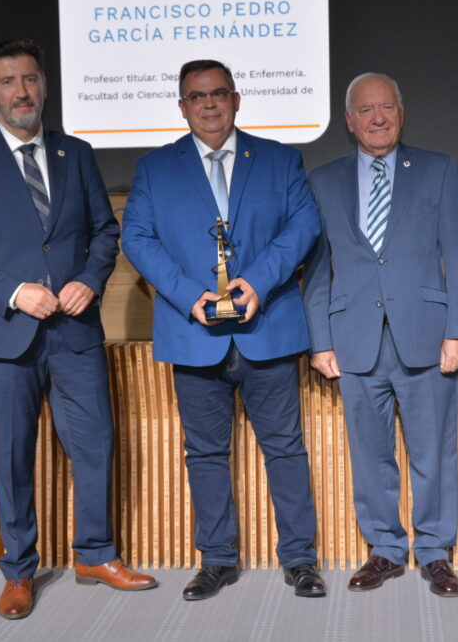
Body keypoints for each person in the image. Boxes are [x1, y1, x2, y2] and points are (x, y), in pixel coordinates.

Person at [0, 39, 156, 620]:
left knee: (95, 444)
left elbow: (105, 233)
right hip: (5, 336)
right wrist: (14, 291)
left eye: (29, 79)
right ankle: (18, 570)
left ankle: (95, 554)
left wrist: (89, 279)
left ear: (45, 85)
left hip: (75, 331)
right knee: (12, 456)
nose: (21, 92)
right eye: (7, 82)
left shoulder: (76, 154)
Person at [121, 59, 325, 600]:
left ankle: (301, 560)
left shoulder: (281, 160)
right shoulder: (154, 169)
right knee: (204, 453)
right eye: (196, 96)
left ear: (236, 100)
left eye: (218, 94)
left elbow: (304, 224)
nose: (209, 104)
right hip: (194, 334)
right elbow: (137, 239)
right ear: (182, 107)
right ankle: (217, 560)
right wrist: (191, 297)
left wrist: (256, 282)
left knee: (284, 447)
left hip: (269, 327)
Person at [302, 73, 458, 597]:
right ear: (349, 120)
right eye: (366, 109)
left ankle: (435, 551)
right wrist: (319, 339)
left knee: (433, 453)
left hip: (426, 336)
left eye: (388, 108)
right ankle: (383, 549)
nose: (378, 118)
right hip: (353, 339)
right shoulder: (323, 179)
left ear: (402, 113)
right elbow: (315, 269)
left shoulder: (438, 169)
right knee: (370, 454)